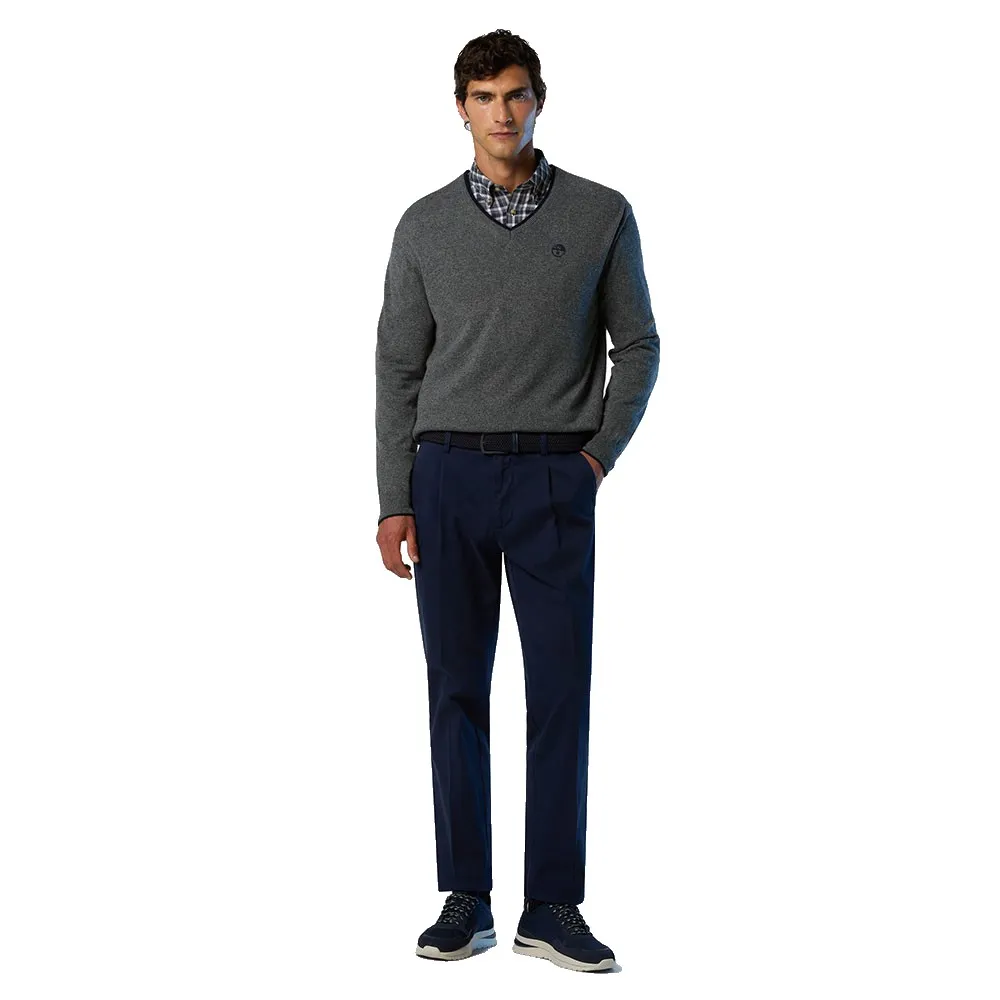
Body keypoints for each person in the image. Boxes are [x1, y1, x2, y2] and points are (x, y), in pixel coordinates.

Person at [374, 29, 659, 974]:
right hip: (446, 477)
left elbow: (639, 345)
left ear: (539, 100)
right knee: (456, 688)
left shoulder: (602, 213)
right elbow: (397, 367)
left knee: (560, 691)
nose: (503, 112)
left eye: (517, 94)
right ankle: (467, 897)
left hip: (552, 479)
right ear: (460, 107)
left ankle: (552, 905)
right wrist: (393, 498)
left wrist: (595, 460)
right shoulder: (423, 226)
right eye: (485, 96)